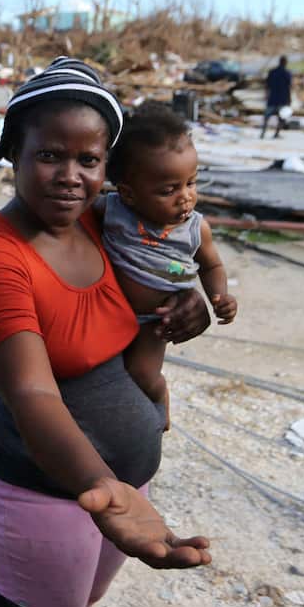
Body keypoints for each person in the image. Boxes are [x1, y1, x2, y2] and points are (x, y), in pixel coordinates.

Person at [0, 57, 213, 607]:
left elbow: (168, 269)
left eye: (89, 159)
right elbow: (30, 392)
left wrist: (190, 304)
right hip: (46, 493)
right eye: (49, 155)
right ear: (13, 155)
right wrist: (105, 493)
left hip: (123, 483)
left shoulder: (103, 224)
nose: (70, 176)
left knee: (83, 604)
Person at [100, 104, 237, 415]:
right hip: (109, 312)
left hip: (156, 322)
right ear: (129, 193)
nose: (185, 196)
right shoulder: (112, 211)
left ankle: (159, 396)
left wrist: (220, 296)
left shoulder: (194, 228)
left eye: (191, 182)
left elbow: (212, 265)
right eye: (168, 190)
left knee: (142, 374)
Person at [263, 56, 291, 139]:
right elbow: (289, 86)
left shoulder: (272, 72)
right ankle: (276, 133)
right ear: (285, 63)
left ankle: (263, 132)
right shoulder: (287, 73)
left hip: (272, 97)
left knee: (267, 116)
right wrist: (289, 99)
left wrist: (266, 95)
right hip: (283, 98)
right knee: (282, 116)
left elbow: (267, 85)